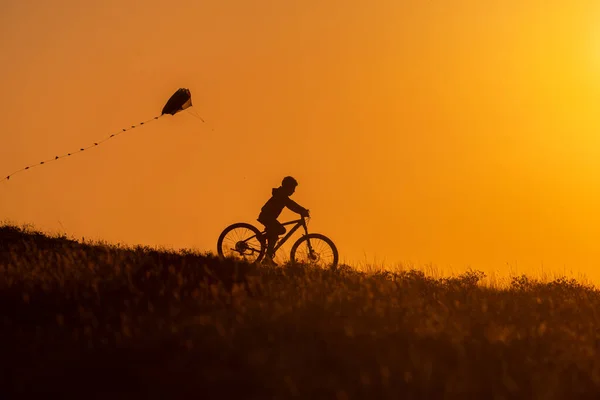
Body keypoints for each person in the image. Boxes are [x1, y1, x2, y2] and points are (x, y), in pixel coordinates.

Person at [258, 176, 309, 264]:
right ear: (287, 187)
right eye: (293, 188)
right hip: (266, 217)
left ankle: (268, 257)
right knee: (280, 230)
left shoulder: (281, 194)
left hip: (268, 217)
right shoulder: (281, 195)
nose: (293, 191)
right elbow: (290, 204)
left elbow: (290, 203)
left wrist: (302, 210)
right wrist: (302, 211)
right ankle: (263, 242)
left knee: (275, 234)